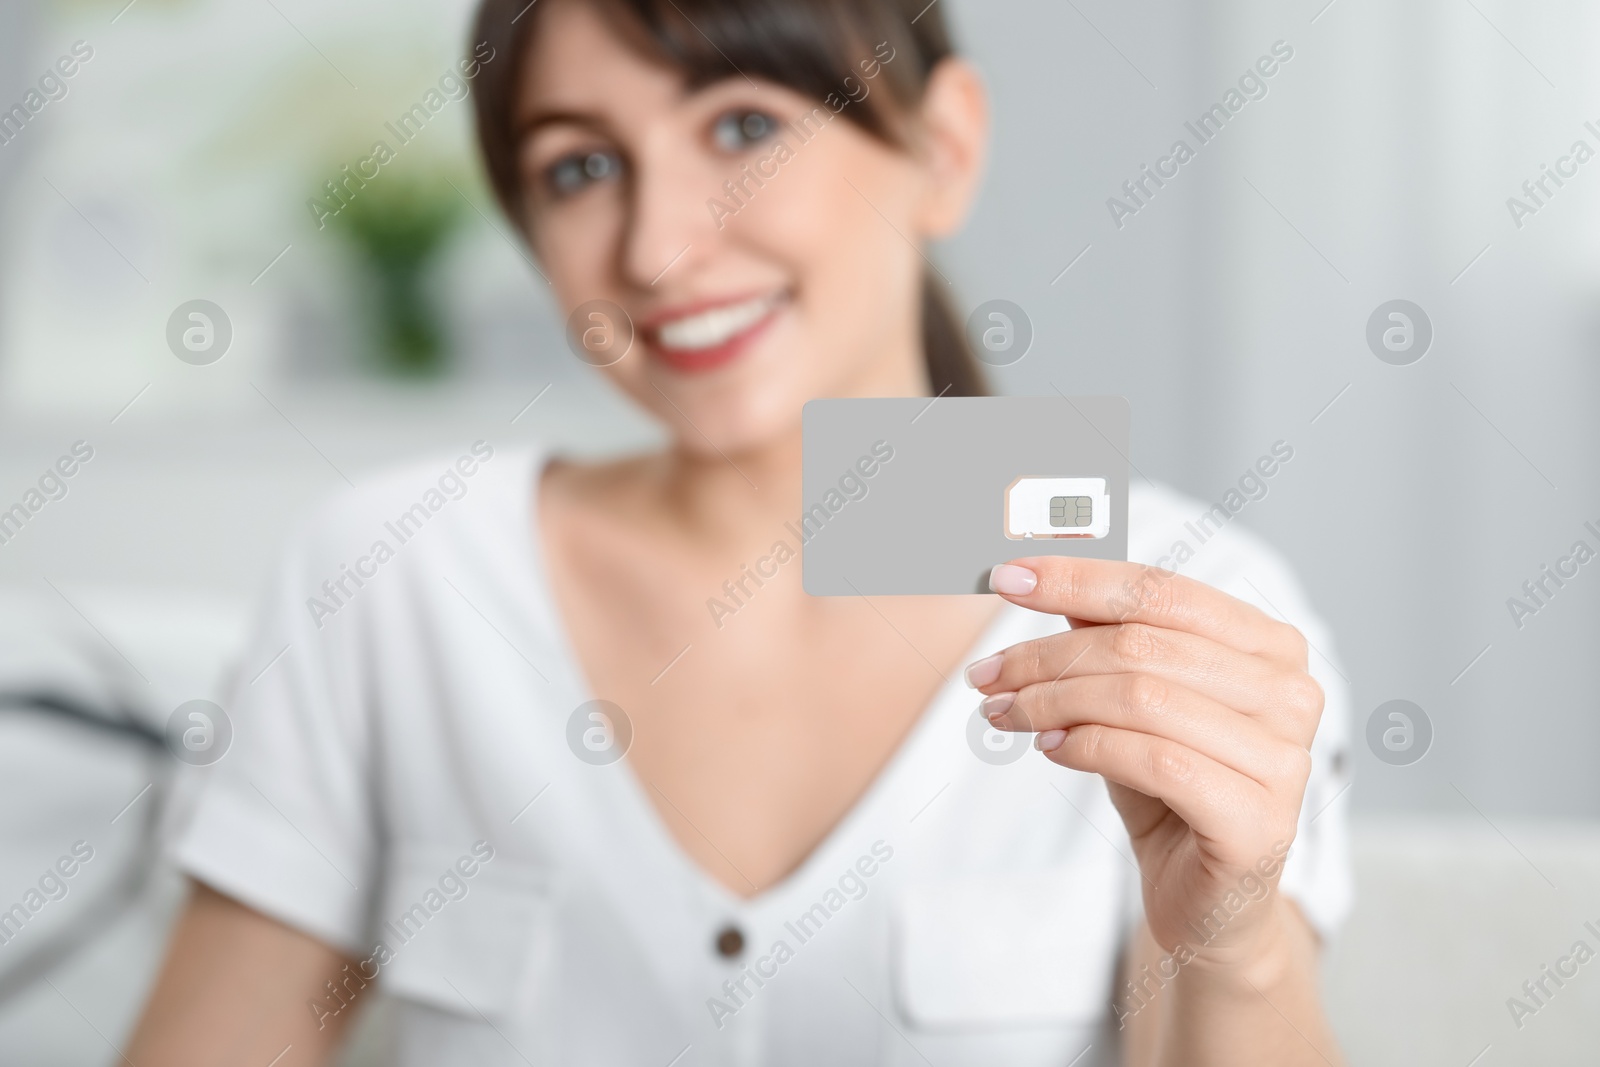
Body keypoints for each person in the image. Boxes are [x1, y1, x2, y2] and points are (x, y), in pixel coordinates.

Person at [127, 0, 1352, 1063]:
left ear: (944, 145)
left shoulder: (1185, 606)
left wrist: (1233, 945)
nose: (659, 249)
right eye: (579, 168)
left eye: (745, 127)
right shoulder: (394, 573)